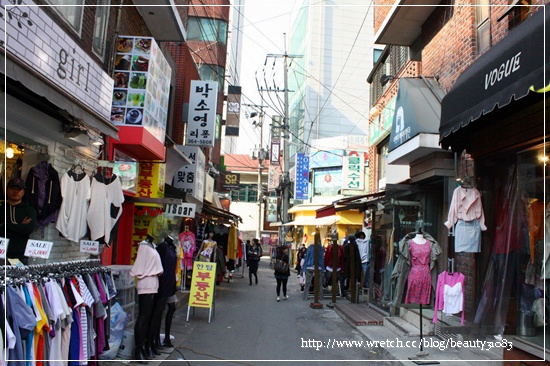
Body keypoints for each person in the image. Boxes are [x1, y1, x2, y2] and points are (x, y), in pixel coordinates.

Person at [1, 177, 37, 265]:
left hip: (20, 256)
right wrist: (20, 226)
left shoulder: (29, 210)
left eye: (18, 189)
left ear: (23, 192)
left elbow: (28, 229)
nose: (15, 191)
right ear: (7, 190)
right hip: (1, 254)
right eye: (12, 188)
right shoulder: (1, 208)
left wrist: (4, 225)